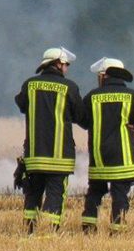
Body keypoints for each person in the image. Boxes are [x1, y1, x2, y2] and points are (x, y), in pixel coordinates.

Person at [79, 57, 134, 233]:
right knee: (120, 195)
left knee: (94, 193)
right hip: (123, 158)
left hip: (99, 157)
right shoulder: (133, 96)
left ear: (104, 76)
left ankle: (88, 229)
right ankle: (117, 231)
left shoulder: (92, 97)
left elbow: (83, 120)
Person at [14, 46, 83, 233]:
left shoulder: (30, 85)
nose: (67, 68)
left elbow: (21, 104)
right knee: (55, 194)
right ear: (59, 64)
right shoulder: (70, 87)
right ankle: (48, 232)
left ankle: (29, 231)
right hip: (59, 156)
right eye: (66, 64)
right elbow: (80, 115)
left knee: (32, 194)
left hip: (34, 155)